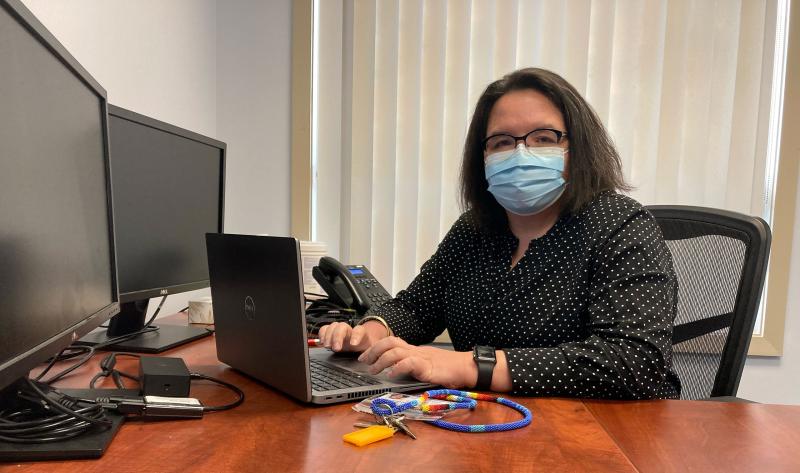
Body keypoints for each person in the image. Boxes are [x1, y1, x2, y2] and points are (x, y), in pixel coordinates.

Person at [318, 67, 681, 399]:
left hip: (603, 434)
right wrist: (372, 330)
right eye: (503, 142)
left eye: (543, 137)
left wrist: (469, 366)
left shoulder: (620, 224)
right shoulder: (474, 230)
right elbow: (417, 309)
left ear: (578, 147)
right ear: (484, 156)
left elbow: (635, 361)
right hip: (487, 422)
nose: (522, 153)